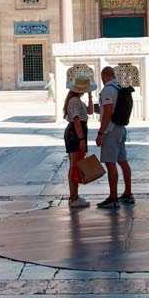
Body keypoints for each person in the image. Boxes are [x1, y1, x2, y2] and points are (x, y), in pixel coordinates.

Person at [95, 63, 133, 209]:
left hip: (110, 131)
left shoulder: (107, 90)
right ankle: (128, 193)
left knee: (110, 163)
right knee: (123, 161)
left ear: (104, 76)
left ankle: (113, 197)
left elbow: (108, 114)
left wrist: (100, 133)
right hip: (121, 129)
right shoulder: (119, 87)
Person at [63, 76, 91, 209]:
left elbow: (90, 111)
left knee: (76, 164)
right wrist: (81, 140)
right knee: (74, 165)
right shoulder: (74, 101)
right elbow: (76, 121)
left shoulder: (77, 100)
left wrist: (91, 96)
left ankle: (75, 196)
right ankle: (73, 197)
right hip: (75, 133)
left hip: (77, 132)